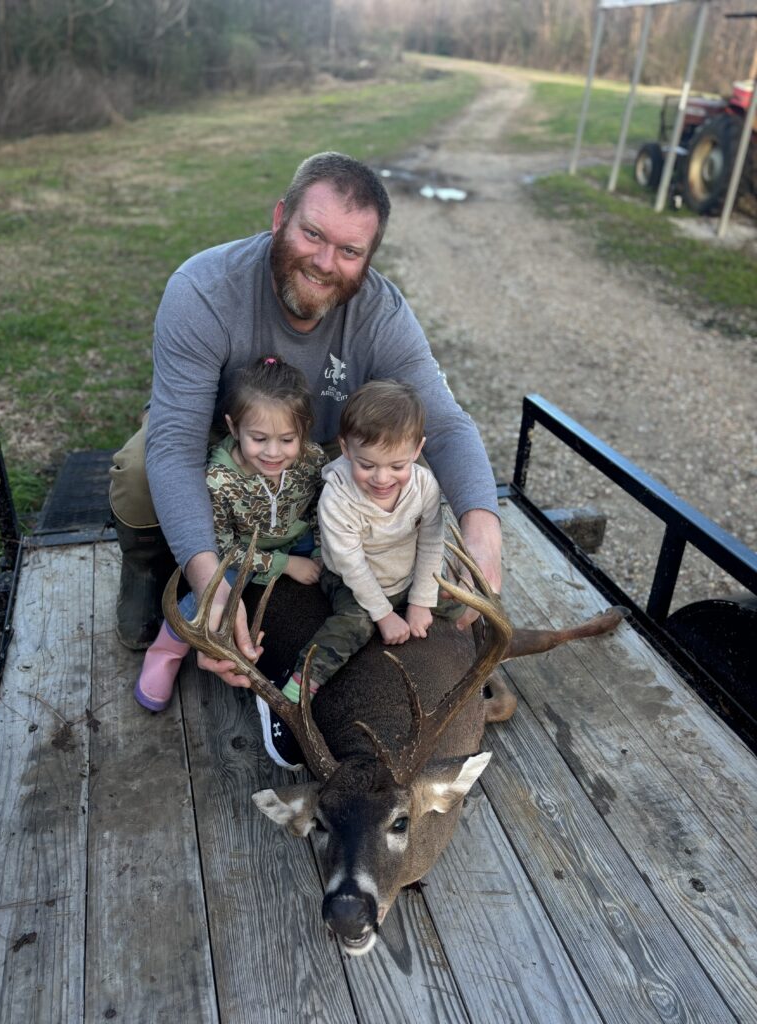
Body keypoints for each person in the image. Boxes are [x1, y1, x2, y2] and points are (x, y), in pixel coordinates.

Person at [109, 151, 503, 687]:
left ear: (368, 259)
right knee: (138, 471)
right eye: (312, 234)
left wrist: (484, 532)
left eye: (349, 250)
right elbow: (176, 447)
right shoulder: (203, 288)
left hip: (315, 452)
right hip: (217, 434)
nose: (324, 261)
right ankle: (148, 567)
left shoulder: (382, 314)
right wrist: (210, 583)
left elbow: (449, 427)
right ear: (279, 219)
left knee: (391, 486)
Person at [258, 380, 463, 770]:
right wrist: (384, 614)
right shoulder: (338, 496)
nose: (382, 478)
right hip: (352, 579)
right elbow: (351, 563)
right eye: (366, 464)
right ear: (347, 448)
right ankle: (291, 693)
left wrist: (421, 600)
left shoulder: (425, 487)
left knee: (460, 606)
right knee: (353, 627)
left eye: (397, 466)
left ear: (418, 450)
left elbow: (432, 543)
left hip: (404, 574)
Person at [133, 356, 326, 711]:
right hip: (241, 552)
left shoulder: (310, 460)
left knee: (337, 564)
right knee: (202, 602)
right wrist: (284, 564)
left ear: (304, 431)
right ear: (233, 427)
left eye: (287, 439)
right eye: (259, 438)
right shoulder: (218, 480)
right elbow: (221, 548)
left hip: (296, 536)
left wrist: (316, 552)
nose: (273, 452)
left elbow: (316, 509)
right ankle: (164, 654)